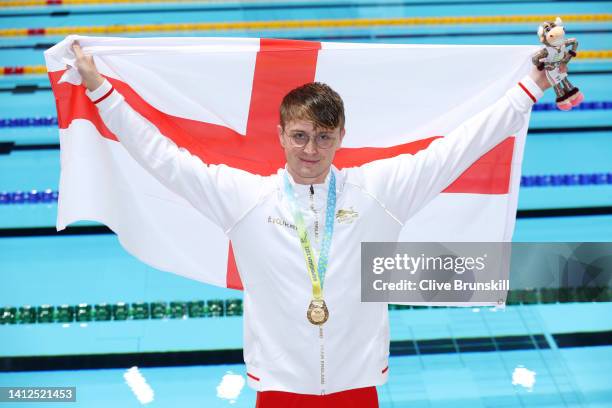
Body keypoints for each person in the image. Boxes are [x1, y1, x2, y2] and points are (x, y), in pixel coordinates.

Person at [71, 41, 552, 407]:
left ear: (342, 135)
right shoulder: (245, 197)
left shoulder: (380, 190)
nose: (311, 150)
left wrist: (530, 88)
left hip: (358, 386)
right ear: (279, 134)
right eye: (299, 136)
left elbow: (460, 147)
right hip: (278, 389)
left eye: (324, 137)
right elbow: (162, 158)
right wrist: (101, 90)